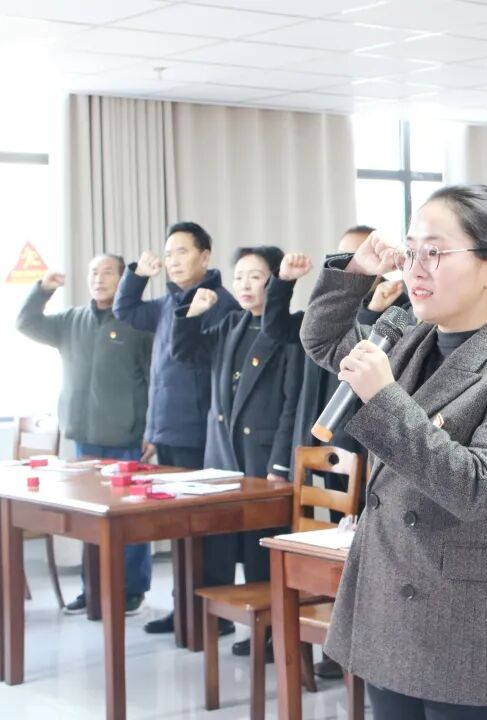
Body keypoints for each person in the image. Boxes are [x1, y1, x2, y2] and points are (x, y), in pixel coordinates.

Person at [297, 184, 487, 718]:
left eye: (436, 252)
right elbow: (324, 341)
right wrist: (356, 270)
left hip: (472, 630)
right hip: (390, 616)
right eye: (411, 249)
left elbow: (476, 486)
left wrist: (385, 398)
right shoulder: (409, 335)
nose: (416, 268)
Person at [261, 223, 410, 680]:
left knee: (354, 547)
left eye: (364, 260)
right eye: (347, 259)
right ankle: (316, 638)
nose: (355, 268)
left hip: (359, 445)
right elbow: (280, 329)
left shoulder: (397, 316)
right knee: (318, 540)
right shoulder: (325, 314)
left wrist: (371, 310)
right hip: (317, 437)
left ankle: (342, 645)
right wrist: (282, 283)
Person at [171, 245, 301, 659]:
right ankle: (227, 620)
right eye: (239, 276)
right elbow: (185, 352)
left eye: (255, 276)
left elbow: (291, 405)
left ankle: (271, 633)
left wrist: (281, 463)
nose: (245, 284)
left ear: (274, 282)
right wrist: (191, 315)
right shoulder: (230, 324)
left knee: (261, 548)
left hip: (263, 458)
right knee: (221, 544)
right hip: (224, 456)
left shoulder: (288, 331)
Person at [113, 221, 240, 635]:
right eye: (168, 254)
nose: (173, 261)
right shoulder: (169, 301)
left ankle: (213, 614)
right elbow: (125, 310)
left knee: (207, 528)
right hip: (168, 429)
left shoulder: (219, 302)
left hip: (199, 430)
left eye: (182, 252)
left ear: (205, 256)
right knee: (180, 528)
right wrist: (137, 275)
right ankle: (183, 608)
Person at [16, 255, 153, 615]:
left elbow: (155, 378)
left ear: (123, 280)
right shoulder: (71, 320)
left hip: (127, 436)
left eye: (108, 272)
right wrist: (43, 290)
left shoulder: (137, 322)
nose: (98, 278)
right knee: (91, 518)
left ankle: (131, 589)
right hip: (84, 437)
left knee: (129, 517)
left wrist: (151, 428)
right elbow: (25, 323)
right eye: (93, 272)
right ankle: (91, 587)